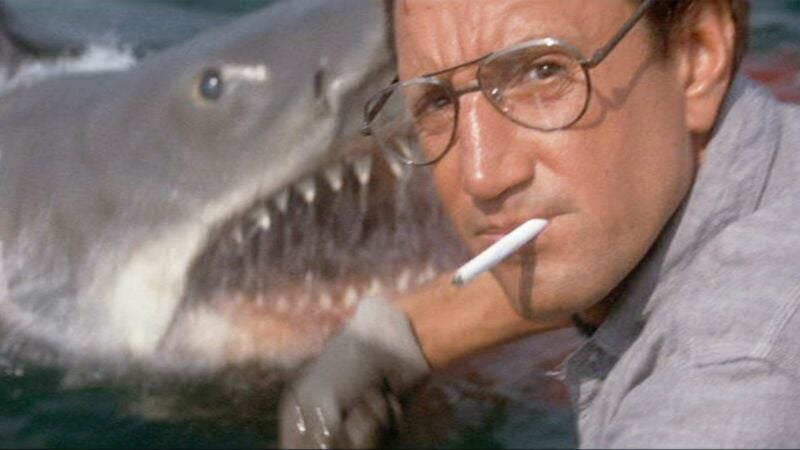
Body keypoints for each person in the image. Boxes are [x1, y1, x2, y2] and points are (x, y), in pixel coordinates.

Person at [279, 0, 800, 447]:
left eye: (543, 71)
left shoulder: (728, 391)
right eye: (436, 101)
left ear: (697, 55)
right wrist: (407, 331)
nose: (481, 176)